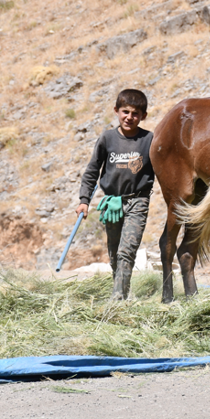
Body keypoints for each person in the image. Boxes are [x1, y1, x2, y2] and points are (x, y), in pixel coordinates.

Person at [77, 89, 155, 299]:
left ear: (143, 116)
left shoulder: (149, 139)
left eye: (135, 113)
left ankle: (118, 299)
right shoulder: (107, 138)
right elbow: (92, 170)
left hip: (138, 201)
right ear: (116, 111)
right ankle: (121, 290)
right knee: (114, 252)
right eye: (125, 112)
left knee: (126, 251)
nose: (130, 117)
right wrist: (84, 200)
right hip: (112, 203)